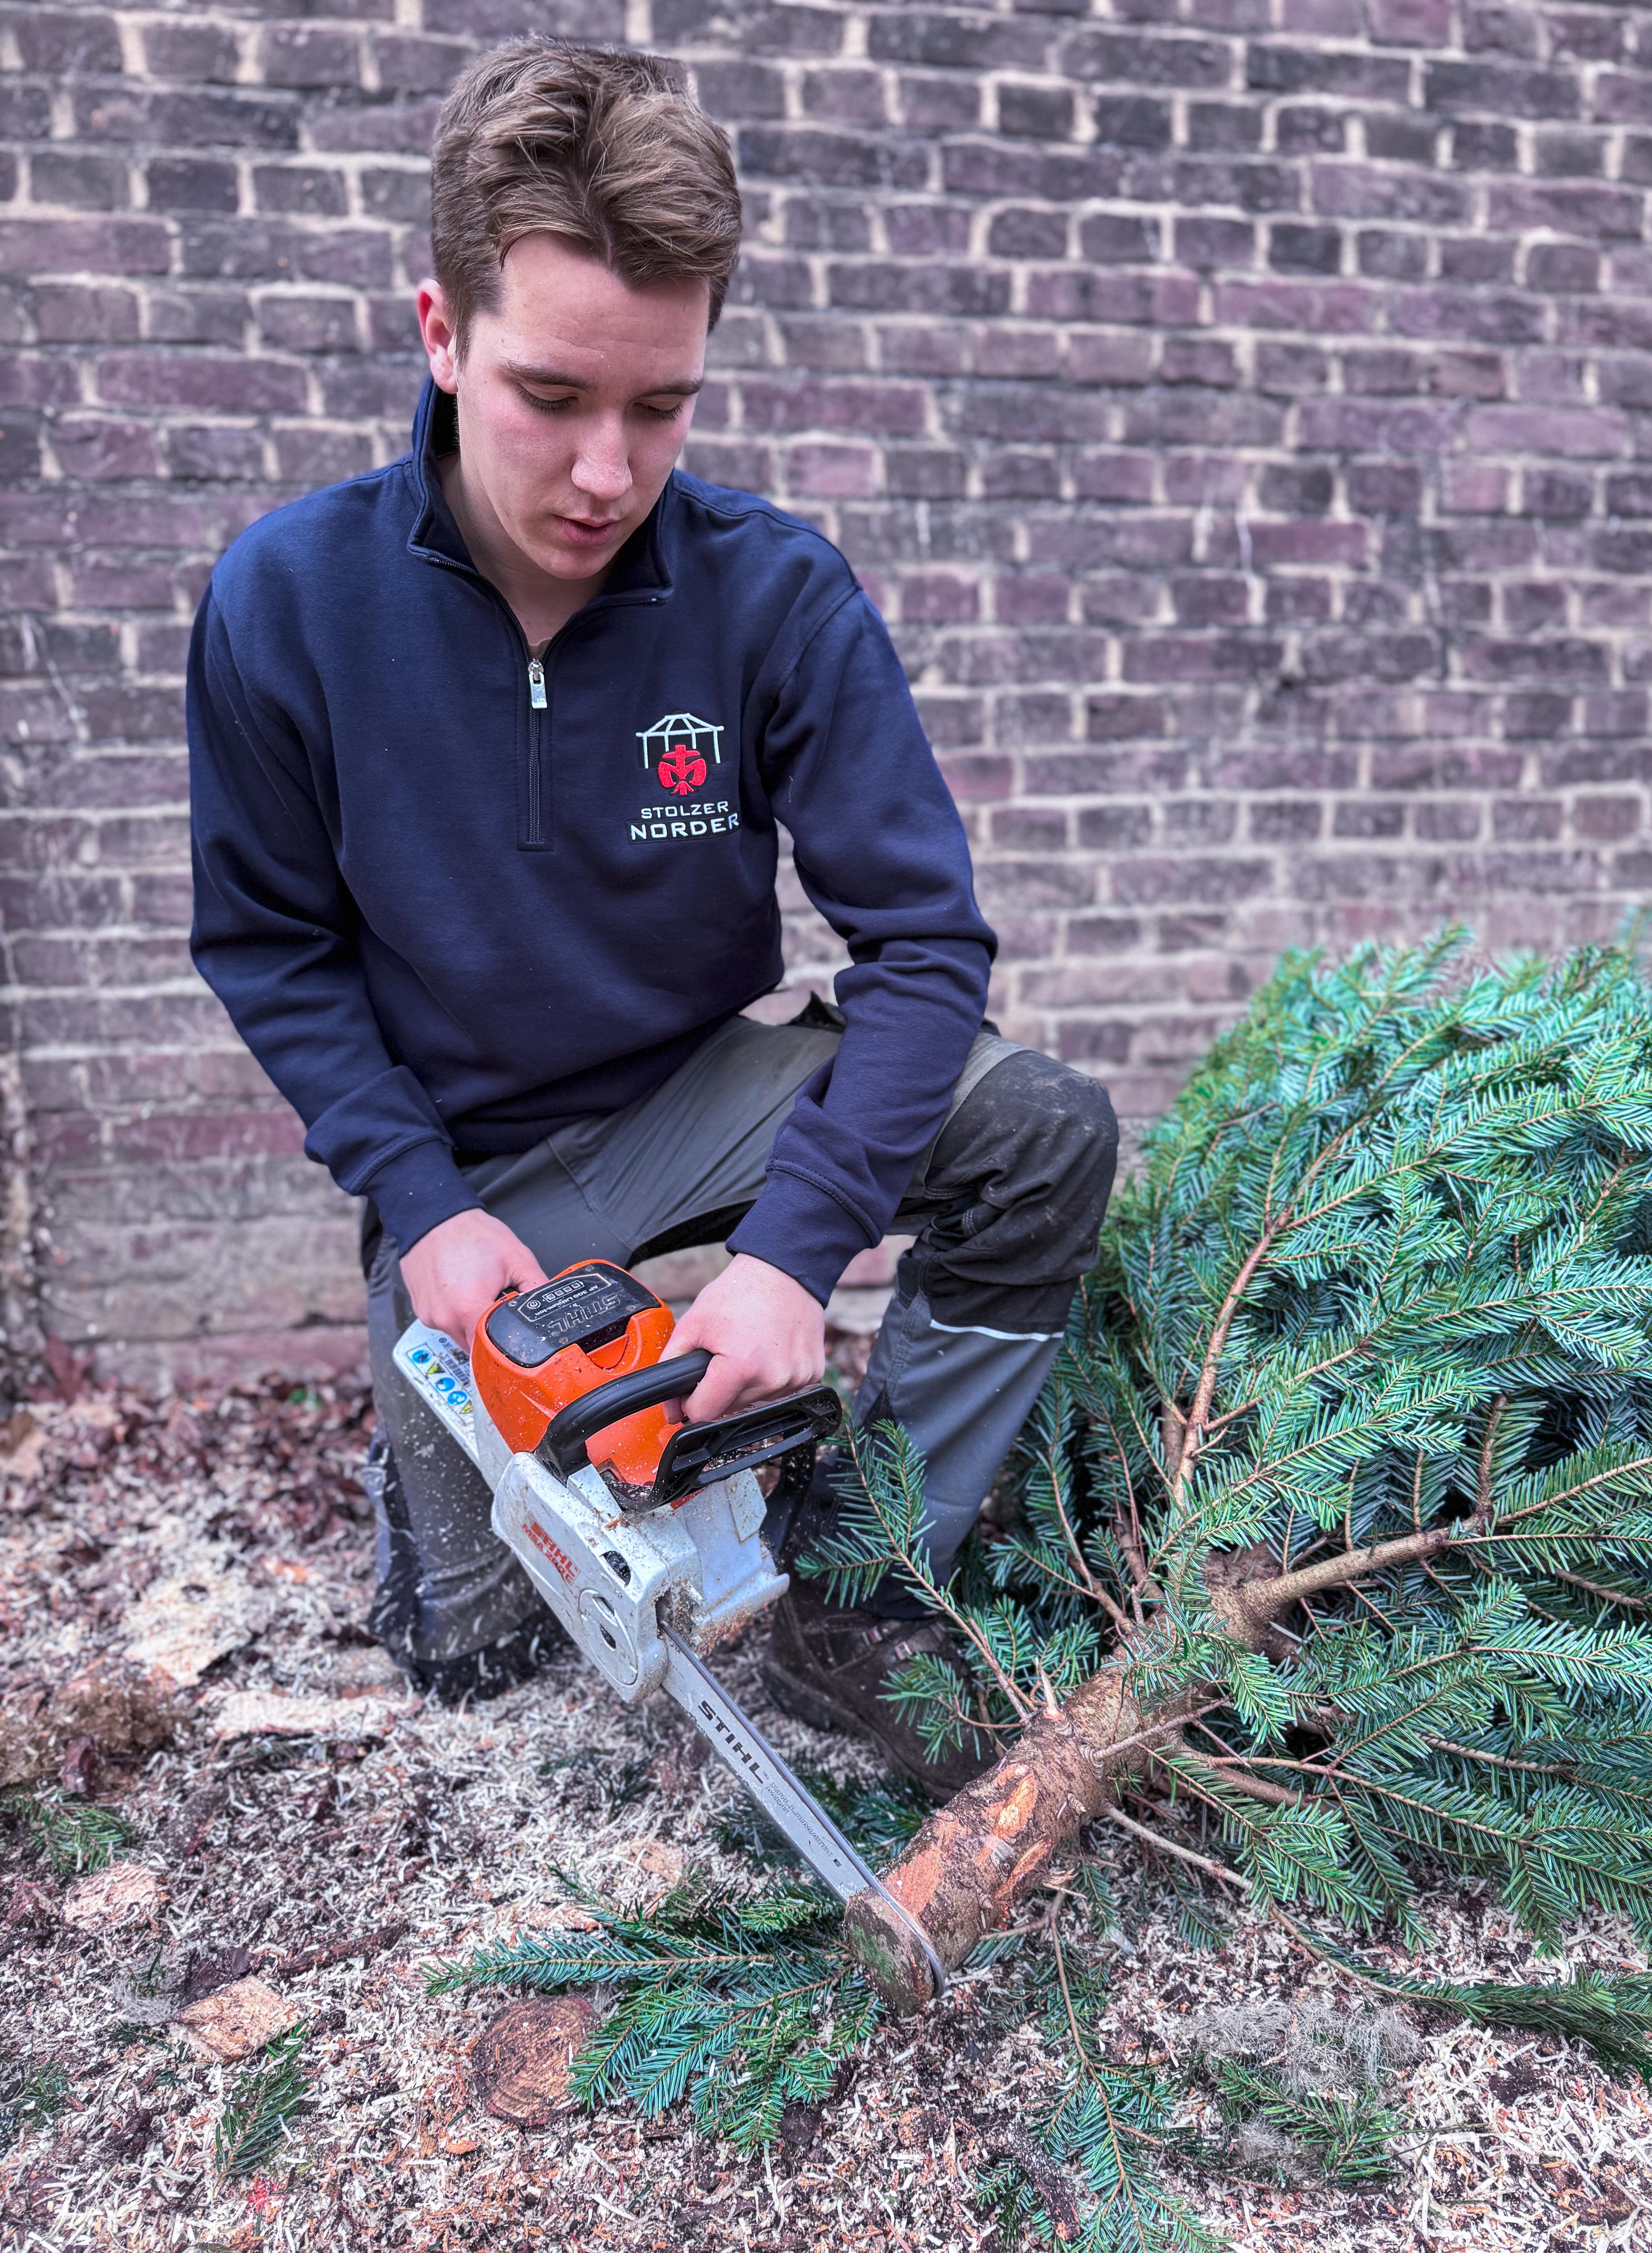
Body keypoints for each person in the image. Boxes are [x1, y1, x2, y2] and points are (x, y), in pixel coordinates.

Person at [187, 39, 1117, 1795]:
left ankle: (861, 1583)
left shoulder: (774, 595)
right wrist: (418, 1197)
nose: (607, 470)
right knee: (490, 1663)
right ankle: (451, 1508)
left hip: (705, 1086)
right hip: (477, 1175)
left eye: (662, 407)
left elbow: (926, 948)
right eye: (553, 395)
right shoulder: (285, 603)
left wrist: (791, 1252)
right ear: (441, 333)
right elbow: (271, 947)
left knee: (1043, 1131)